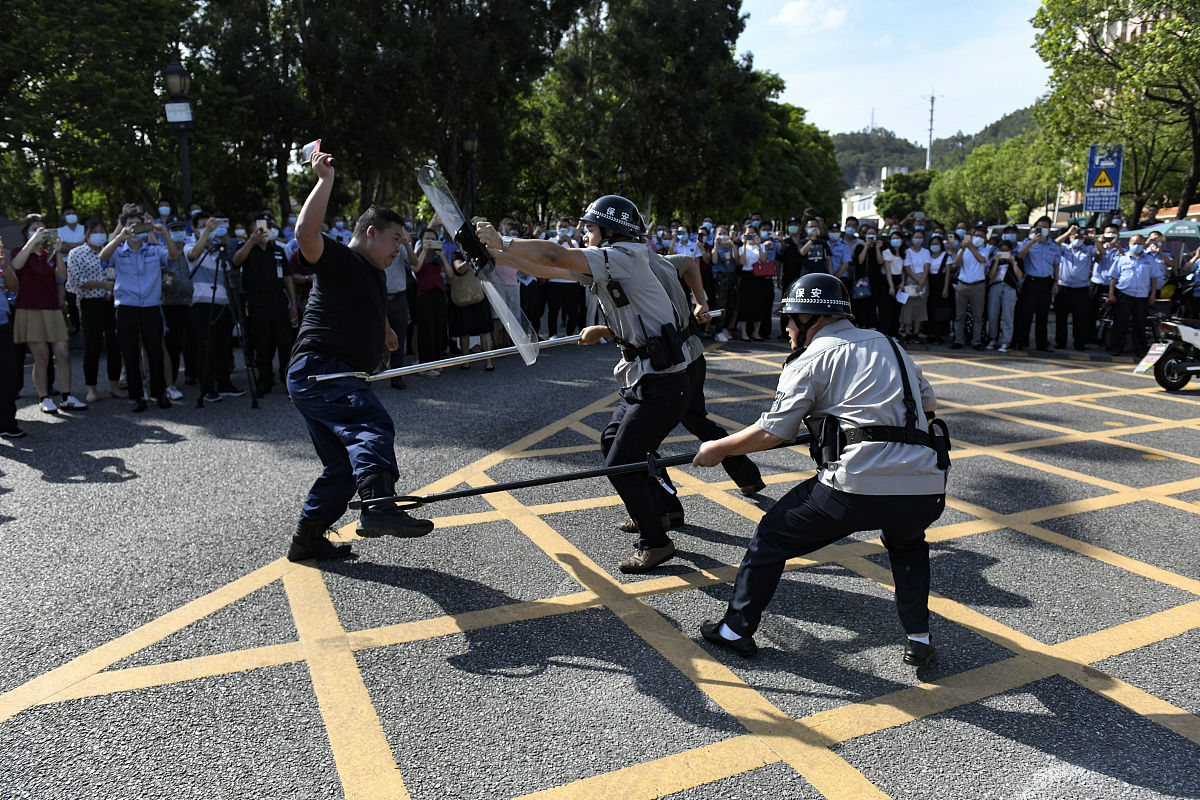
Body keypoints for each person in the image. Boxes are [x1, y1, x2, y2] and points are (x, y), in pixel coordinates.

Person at [693, 273, 946, 665]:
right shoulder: (891, 344)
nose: (787, 329)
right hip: (925, 487)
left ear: (813, 318)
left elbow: (773, 431)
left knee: (771, 536)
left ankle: (735, 630)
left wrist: (718, 449)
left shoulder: (812, 357)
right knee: (908, 545)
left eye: (791, 319)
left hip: (854, 487)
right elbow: (927, 404)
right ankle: (919, 638)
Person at [475, 194, 694, 573]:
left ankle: (656, 542)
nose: (585, 235)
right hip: (644, 378)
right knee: (614, 444)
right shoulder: (612, 260)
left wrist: (503, 240)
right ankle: (659, 511)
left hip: (662, 383)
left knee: (621, 462)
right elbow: (548, 269)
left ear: (610, 231)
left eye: (590, 229)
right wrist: (498, 257)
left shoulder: (625, 256)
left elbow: (557, 255)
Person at [285, 145, 434, 561]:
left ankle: (306, 540)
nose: (400, 248)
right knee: (370, 422)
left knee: (342, 468)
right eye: (395, 239)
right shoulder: (342, 259)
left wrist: (386, 335)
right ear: (371, 232)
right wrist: (325, 181)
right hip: (322, 369)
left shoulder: (372, 273)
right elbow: (305, 236)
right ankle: (378, 506)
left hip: (327, 374)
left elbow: (368, 307)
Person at [99, 212, 181, 411]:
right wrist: (120, 237)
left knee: (155, 350)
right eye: (130, 224)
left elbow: (173, 256)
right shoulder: (119, 250)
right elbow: (103, 257)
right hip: (126, 306)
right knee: (130, 352)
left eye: (138, 224)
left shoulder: (154, 249)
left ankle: (159, 393)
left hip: (151, 306)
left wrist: (164, 234)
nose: (135, 227)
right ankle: (136, 396)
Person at [12, 216, 87, 413]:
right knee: (42, 356)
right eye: (34, 228)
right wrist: (32, 242)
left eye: (42, 228)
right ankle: (43, 397)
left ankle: (66, 396)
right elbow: (17, 265)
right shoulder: (20, 251)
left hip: (52, 308)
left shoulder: (49, 254)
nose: (39, 231)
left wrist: (58, 251)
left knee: (63, 353)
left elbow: (61, 276)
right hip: (30, 309)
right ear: (27, 232)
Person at [234, 214, 299, 397]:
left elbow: (288, 278)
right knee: (262, 343)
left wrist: (293, 304)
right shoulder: (246, 248)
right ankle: (264, 379)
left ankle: (287, 380)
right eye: (262, 226)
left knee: (285, 343)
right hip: (257, 302)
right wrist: (251, 241)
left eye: (269, 226)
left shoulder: (277, 249)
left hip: (278, 300)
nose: (265, 230)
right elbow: (236, 261)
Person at [187, 214, 244, 402]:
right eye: (203, 226)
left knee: (224, 346)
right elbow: (193, 255)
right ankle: (207, 387)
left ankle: (224, 383)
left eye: (210, 225)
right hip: (202, 302)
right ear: (195, 229)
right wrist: (206, 234)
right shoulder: (191, 245)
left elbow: (228, 273)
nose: (208, 229)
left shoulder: (219, 250)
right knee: (206, 346)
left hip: (222, 302)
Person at [65, 218, 122, 402]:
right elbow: (77, 281)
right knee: (92, 346)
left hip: (112, 302)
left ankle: (114, 384)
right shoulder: (77, 253)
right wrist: (103, 285)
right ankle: (91, 388)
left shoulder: (111, 251)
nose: (99, 235)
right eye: (94, 232)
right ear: (86, 234)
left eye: (101, 231)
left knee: (114, 345)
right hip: (90, 303)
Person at [1013, 216, 1061, 353]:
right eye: (1040, 227)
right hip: (1031, 281)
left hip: (1046, 282)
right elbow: (1020, 255)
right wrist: (1032, 241)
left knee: (1043, 315)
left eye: (1045, 227)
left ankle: (1042, 343)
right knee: (1026, 314)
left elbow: (1056, 264)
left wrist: (1056, 282)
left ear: (1049, 229)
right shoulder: (1028, 242)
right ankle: (1022, 342)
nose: (1043, 229)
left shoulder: (1053, 245)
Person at [160, 217, 193, 401]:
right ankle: (170, 381)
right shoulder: (164, 252)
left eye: (181, 228)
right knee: (172, 345)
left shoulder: (191, 250)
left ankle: (192, 374)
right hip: (170, 304)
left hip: (191, 302)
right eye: (174, 229)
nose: (178, 232)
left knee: (191, 342)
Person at [1107, 234, 1156, 358]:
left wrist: (1153, 294)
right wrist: (1111, 294)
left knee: (1139, 324)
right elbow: (1113, 277)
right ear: (1129, 244)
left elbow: (1154, 278)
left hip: (1142, 296)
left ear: (1144, 244)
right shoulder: (1122, 258)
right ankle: (1116, 347)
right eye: (1134, 243)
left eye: (1139, 243)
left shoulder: (1149, 259)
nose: (1136, 246)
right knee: (1120, 323)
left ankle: (1140, 349)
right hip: (1124, 294)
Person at [412, 227, 449, 374]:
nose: (430, 241)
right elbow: (416, 268)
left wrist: (443, 256)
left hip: (439, 294)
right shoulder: (418, 253)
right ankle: (425, 365)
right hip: (424, 295)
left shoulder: (438, 256)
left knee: (439, 330)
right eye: (427, 238)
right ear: (421, 240)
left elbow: (450, 274)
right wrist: (424, 250)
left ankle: (435, 362)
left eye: (433, 239)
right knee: (426, 331)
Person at [948, 226, 990, 350]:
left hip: (978, 285)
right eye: (977, 235)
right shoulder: (964, 250)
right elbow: (956, 263)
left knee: (977, 316)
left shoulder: (985, 250)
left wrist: (971, 247)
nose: (978, 238)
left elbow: (981, 260)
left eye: (981, 236)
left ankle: (976, 341)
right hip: (962, 284)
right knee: (959, 315)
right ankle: (958, 340)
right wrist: (963, 249)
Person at [1054, 224, 1094, 351]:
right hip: (1064, 287)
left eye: (1080, 237)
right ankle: (1061, 341)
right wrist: (1068, 232)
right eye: (1074, 236)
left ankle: (1079, 343)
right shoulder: (1065, 248)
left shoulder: (1088, 249)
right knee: (1061, 317)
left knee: (1080, 318)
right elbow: (1055, 243)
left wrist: (1094, 238)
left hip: (1081, 288)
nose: (1077, 238)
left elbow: (1101, 253)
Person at [736, 227, 773, 342]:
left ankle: (756, 332)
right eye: (748, 233)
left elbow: (763, 260)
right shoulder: (741, 248)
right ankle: (744, 333)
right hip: (746, 277)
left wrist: (758, 245)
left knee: (759, 304)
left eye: (753, 233)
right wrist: (744, 244)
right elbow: (742, 262)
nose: (750, 235)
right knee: (745, 304)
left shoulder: (761, 246)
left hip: (758, 277)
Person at [0, 248, 22, 438]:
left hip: (3, 323)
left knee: (8, 375)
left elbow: (14, 287)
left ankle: (7, 423)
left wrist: (5, 266)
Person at [985, 241, 1022, 353]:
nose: (1004, 253)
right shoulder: (995, 260)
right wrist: (996, 261)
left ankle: (1006, 341)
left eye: (1006, 250)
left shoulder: (1017, 260)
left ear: (1011, 251)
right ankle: (992, 338)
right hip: (995, 287)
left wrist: (1013, 262)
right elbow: (991, 276)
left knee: (1008, 316)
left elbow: (1020, 275)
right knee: (993, 315)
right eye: (1002, 250)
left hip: (1009, 288)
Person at [899, 231, 931, 342]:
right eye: (916, 237)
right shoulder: (907, 252)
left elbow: (927, 267)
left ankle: (916, 332)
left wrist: (922, 282)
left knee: (920, 308)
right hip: (910, 280)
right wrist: (918, 281)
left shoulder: (926, 252)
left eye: (920, 237)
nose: (918, 239)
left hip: (923, 279)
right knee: (908, 308)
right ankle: (907, 332)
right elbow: (907, 269)